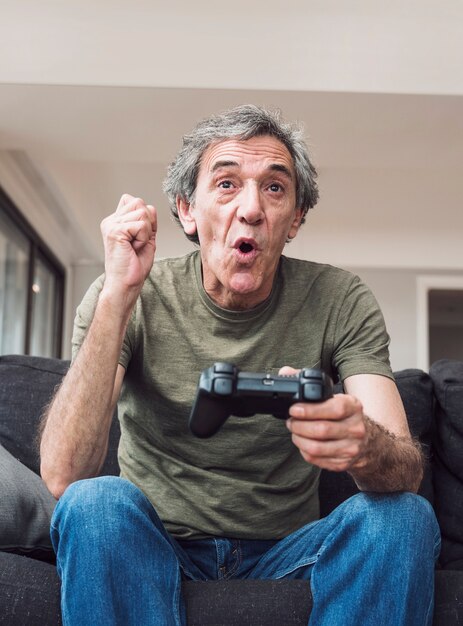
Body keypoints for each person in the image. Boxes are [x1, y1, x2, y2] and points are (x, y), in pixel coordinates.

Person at [38, 104, 440, 625]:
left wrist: (364, 442)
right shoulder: (127, 293)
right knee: (94, 504)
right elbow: (63, 475)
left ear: (294, 219)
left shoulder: (340, 298)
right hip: (159, 547)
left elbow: (405, 476)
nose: (251, 208)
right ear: (187, 210)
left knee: (404, 518)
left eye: (274, 188)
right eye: (227, 184)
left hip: (289, 552)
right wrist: (117, 296)